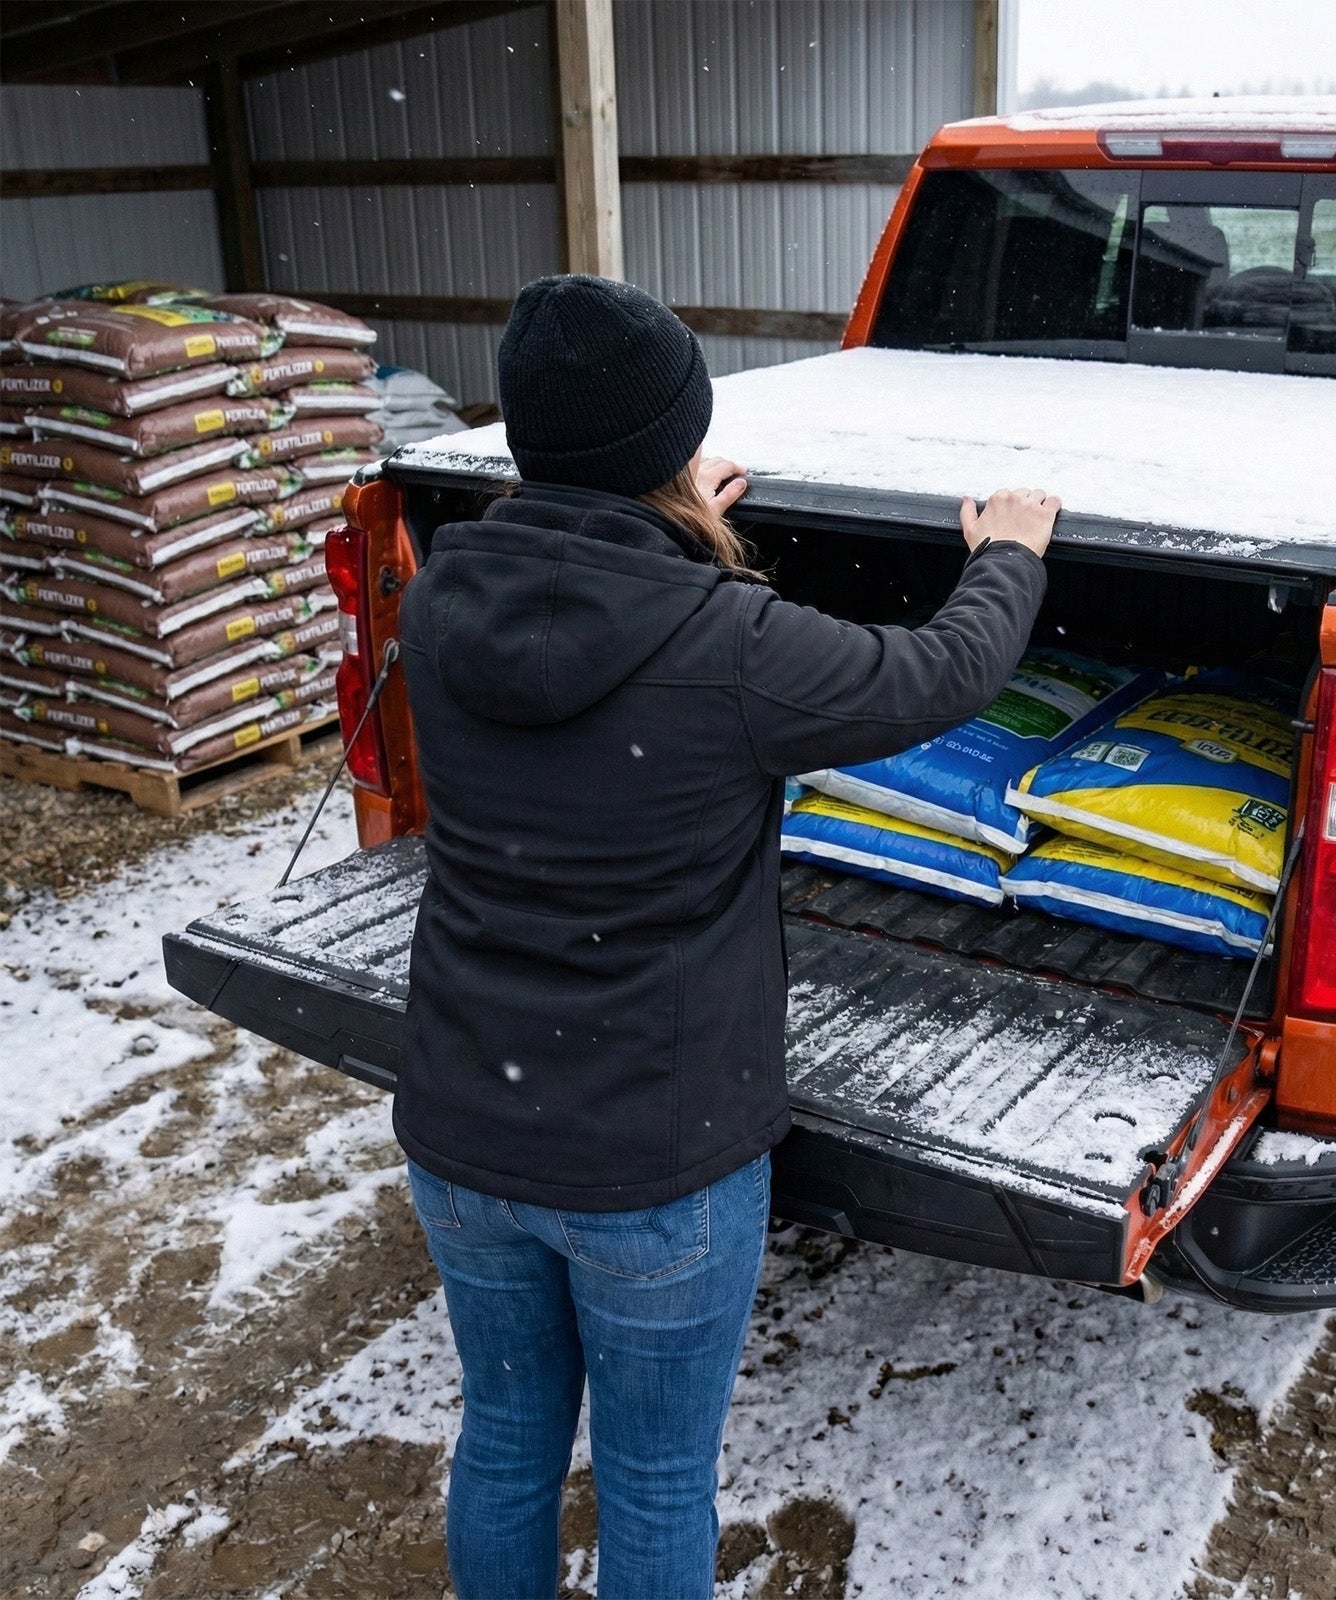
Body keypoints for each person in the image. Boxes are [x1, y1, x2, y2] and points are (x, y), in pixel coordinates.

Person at [395, 274, 1059, 1600]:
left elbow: (580, 582)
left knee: (509, 1438)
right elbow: (937, 672)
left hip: (466, 1137)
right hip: (656, 1162)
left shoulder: (443, 600)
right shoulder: (731, 644)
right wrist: (1009, 557)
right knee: (650, 1479)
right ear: (667, 455)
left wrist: (669, 521)